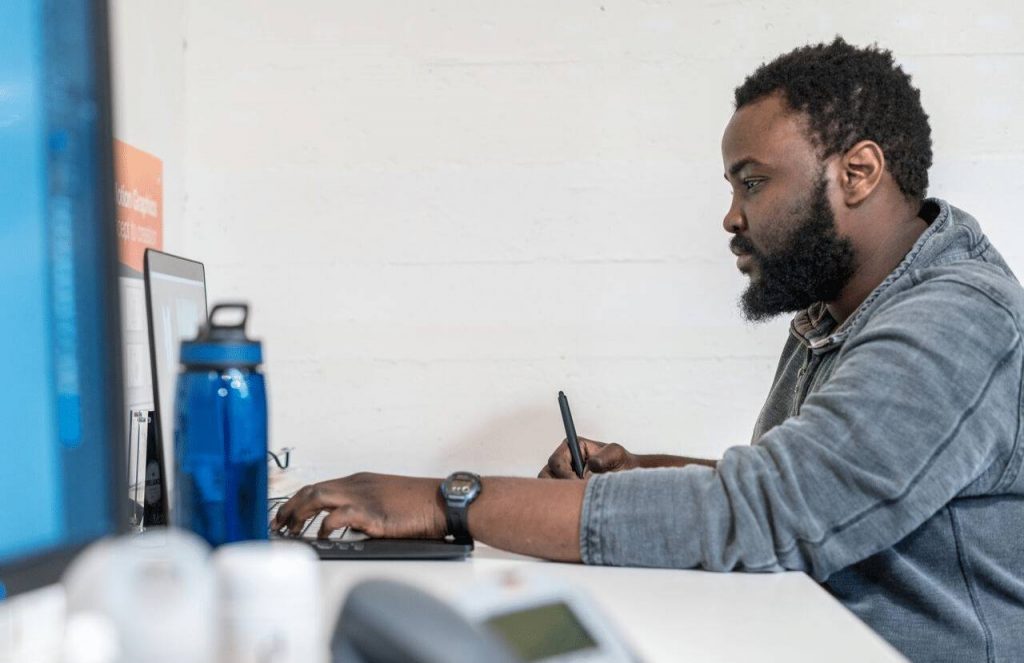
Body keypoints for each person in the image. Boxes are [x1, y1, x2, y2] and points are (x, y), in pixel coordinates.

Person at [273, 38, 1024, 662]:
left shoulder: (954, 322)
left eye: (752, 182)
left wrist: (450, 500)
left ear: (858, 172)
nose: (731, 215)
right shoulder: (844, 309)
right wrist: (644, 471)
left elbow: (768, 514)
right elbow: (814, 486)